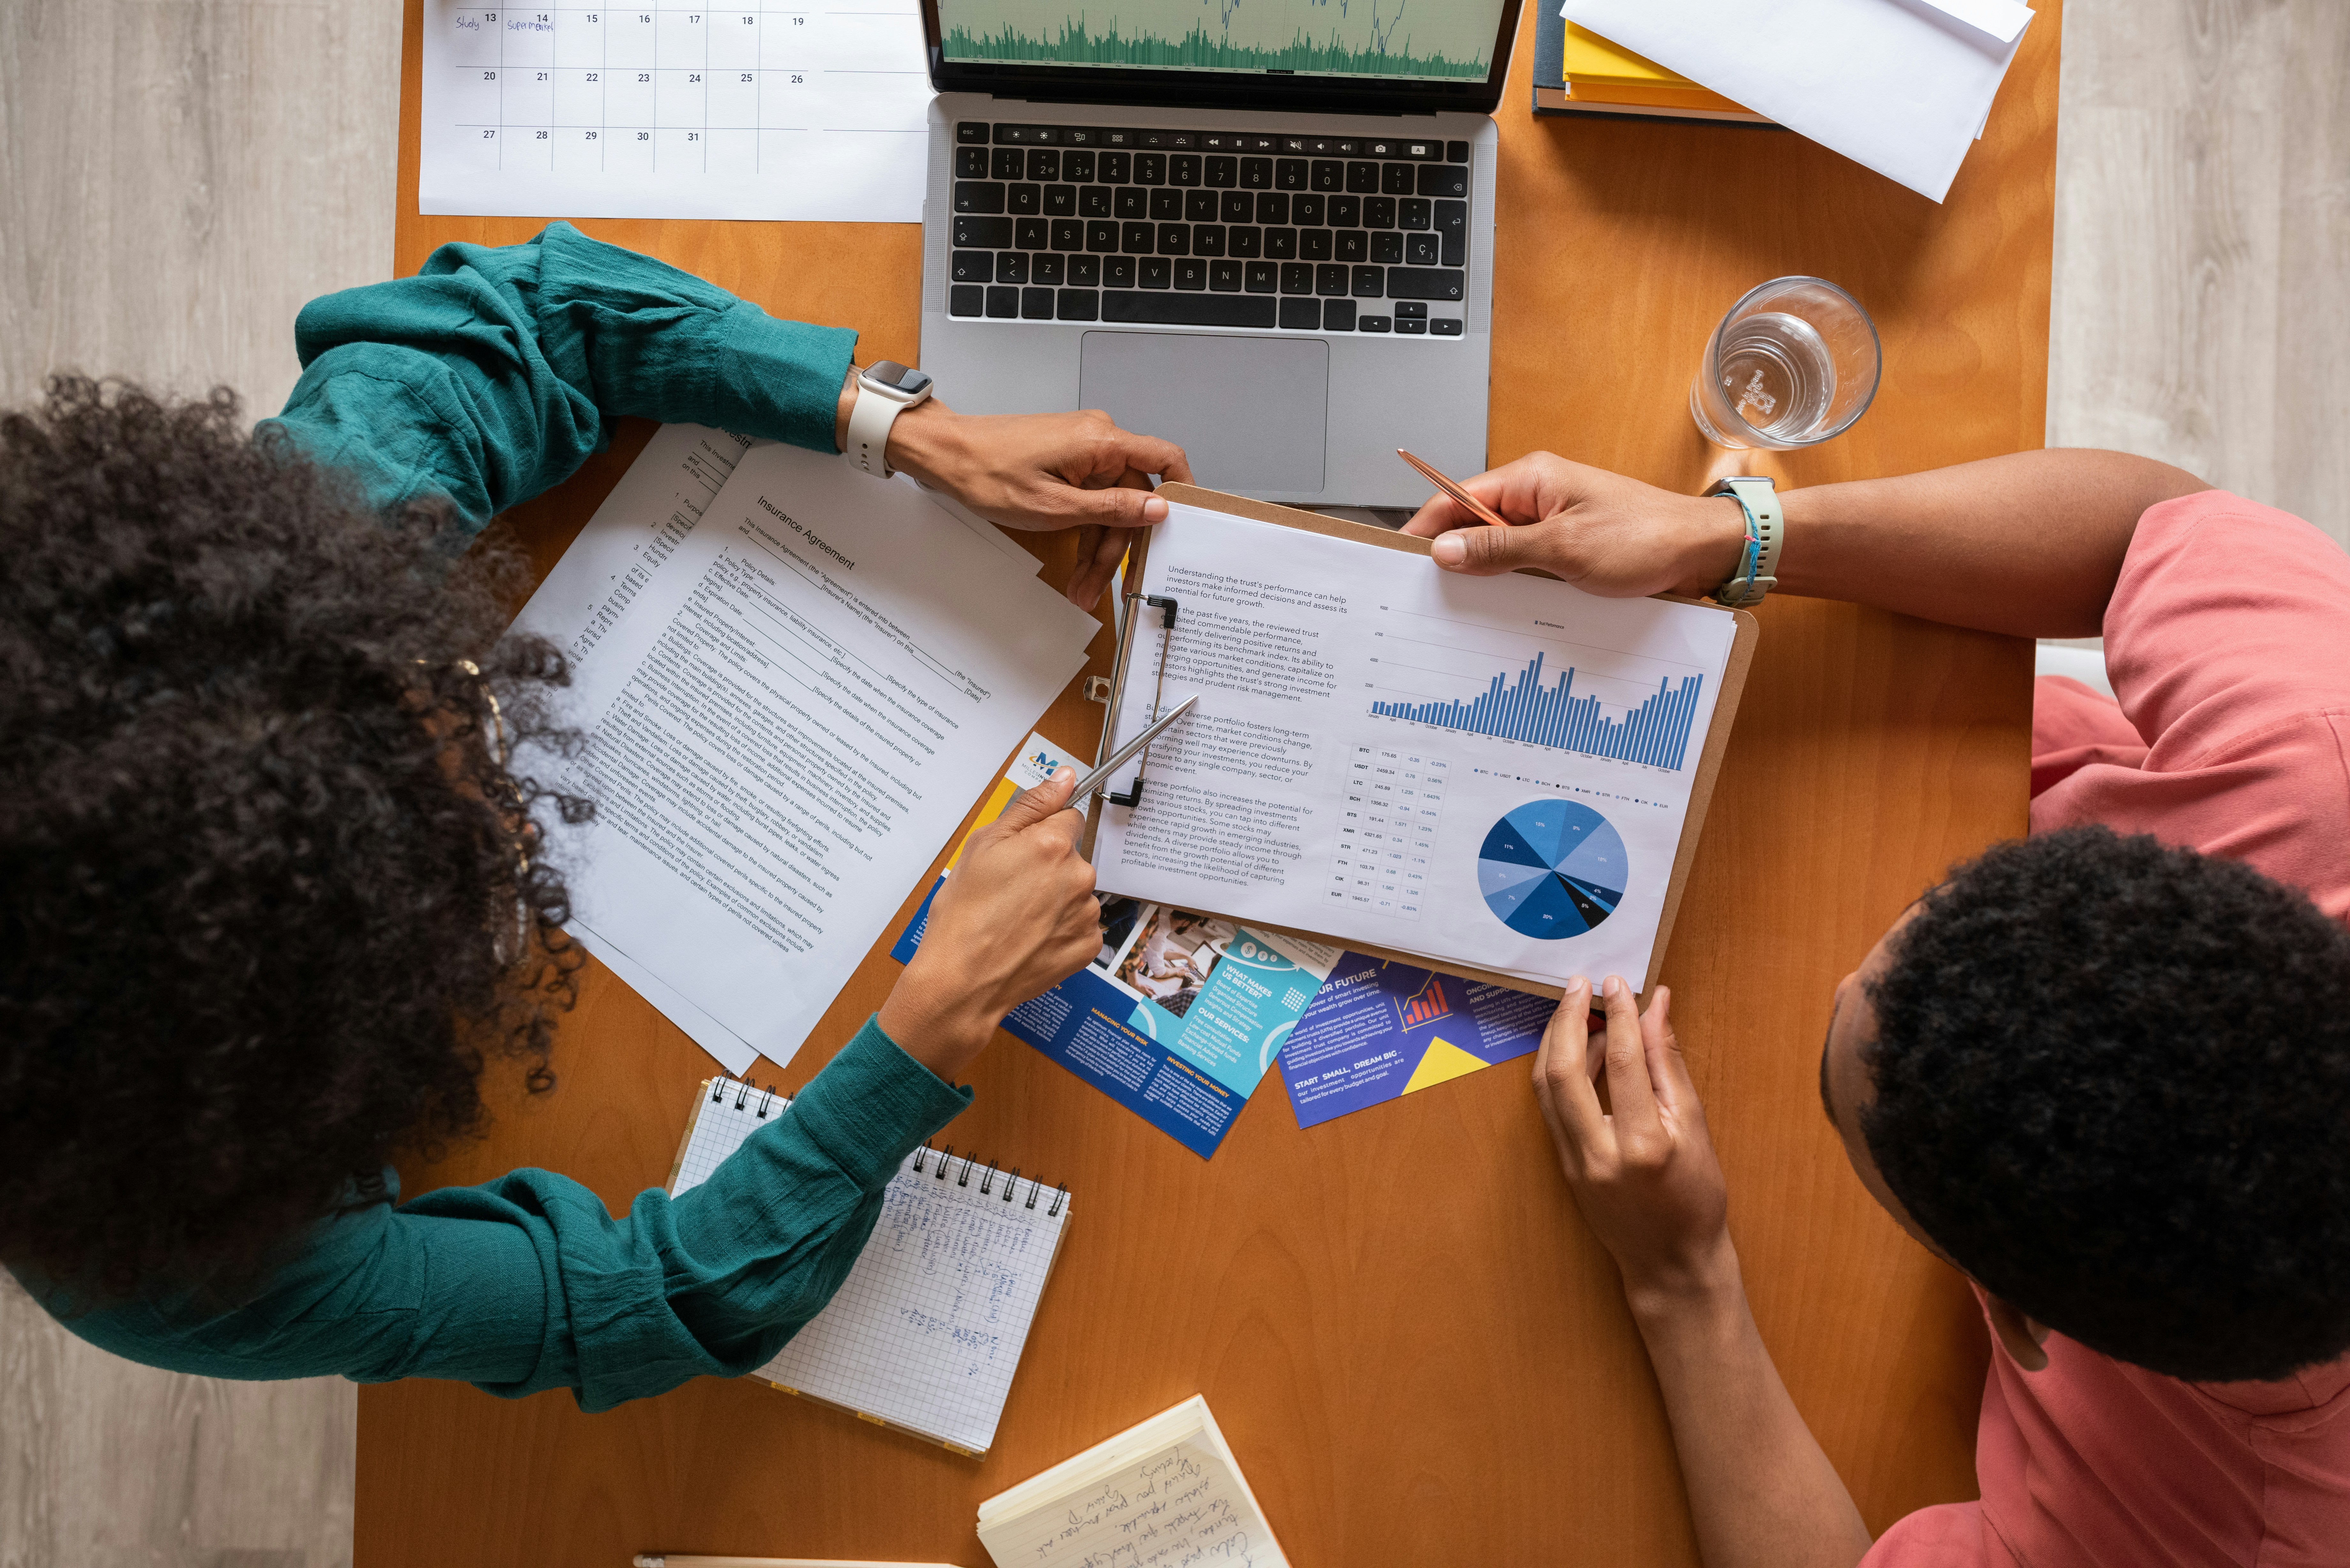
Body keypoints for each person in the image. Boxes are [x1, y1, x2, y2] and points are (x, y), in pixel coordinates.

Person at [0, 222, 1190, 1411]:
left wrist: (910, 432)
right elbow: (653, 1304)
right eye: (435, 840)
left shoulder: (240, 619)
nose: (514, 808)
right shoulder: (174, 1278)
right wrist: (931, 1023)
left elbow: (537, 314)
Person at [1404, 451, 2350, 1565]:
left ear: (2016, 1316)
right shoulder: (2317, 765)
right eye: (1933, 903)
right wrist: (1733, 534)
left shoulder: (2251, 1530)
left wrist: (1683, 1278)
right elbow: (2157, 521)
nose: (1843, 974)